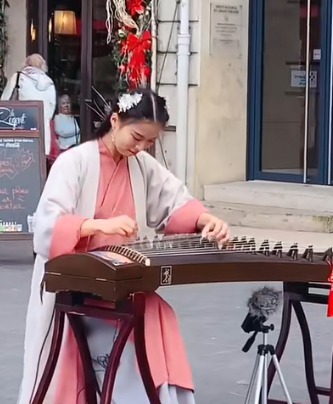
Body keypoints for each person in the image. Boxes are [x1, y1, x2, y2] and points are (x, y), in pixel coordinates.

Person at [18, 88, 230, 404]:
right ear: (115, 121)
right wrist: (97, 226)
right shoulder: (73, 162)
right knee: (142, 315)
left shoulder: (141, 165)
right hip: (76, 286)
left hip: (119, 285)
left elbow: (172, 200)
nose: (142, 147)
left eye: (150, 142)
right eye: (137, 137)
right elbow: (46, 228)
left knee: (157, 311)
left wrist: (204, 220)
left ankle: (161, 397)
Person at [1, 54, 56, 156]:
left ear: (27, 64)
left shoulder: (18, 77)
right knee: (38, 160)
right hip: (42, 129)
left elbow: (4, 101)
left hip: (20, 127)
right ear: (42, 66)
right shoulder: (49, 82)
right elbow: (51, 109)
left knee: (19, 160)